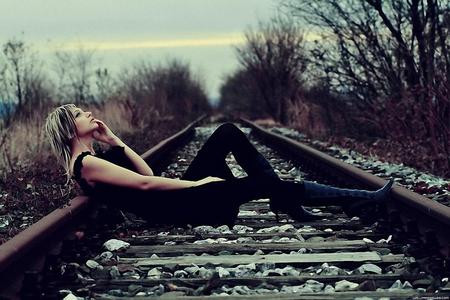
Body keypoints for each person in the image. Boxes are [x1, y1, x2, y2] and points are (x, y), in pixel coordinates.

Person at [44, 103, 394, 226]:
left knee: (227, 132)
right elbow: (147, 186)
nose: (88, 113)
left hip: (174, 202)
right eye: (79, 114)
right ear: (69, 128)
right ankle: (356, 198)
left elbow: (147, 173)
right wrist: (199, 184)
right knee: (266, 185)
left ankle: (287, 199)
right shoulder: (86, 164)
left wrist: (115, 140)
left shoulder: (93, 157)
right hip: (180, 207)